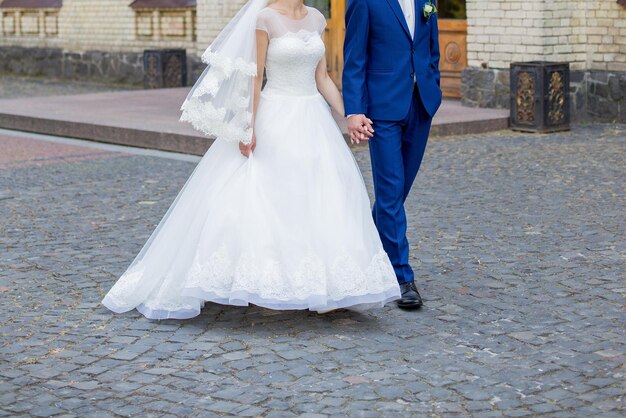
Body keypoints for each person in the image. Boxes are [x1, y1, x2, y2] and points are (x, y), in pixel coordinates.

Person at [101, 0, 401, 320]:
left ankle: (321, 283)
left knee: (319, 196)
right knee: (270, 198)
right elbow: (254, 78)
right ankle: (265, 281)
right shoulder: (265, 19)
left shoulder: (316, 19)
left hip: (313, 118)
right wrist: (248, 125)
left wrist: (351, 116)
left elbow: (323, 77)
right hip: (277, 115)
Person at [343, 0, 443, 309]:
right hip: (382, 109)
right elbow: (354, 57)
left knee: (398, 192)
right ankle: (401, 277)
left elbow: (431, 47)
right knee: (389, 192)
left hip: (421, 103)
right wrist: (355, 110)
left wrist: (433, 83)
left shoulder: (427, 0)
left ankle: (363, 247)